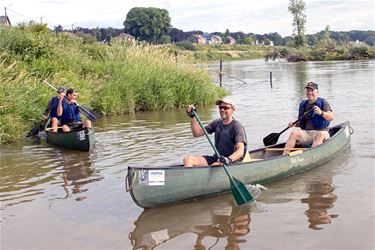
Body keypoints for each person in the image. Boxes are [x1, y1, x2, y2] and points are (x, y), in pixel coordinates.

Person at [183, 98, 248, 167]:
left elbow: (240, 151)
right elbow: (196, 133)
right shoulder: (217, 123)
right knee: (188, 159)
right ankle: (189, 176)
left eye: (226, 108)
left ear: (233, 110)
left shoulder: (237, 126)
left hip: (232, 160)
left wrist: (228, 159)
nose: (222, 110)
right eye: (220, 107)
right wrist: (193, 117)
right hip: (218, 158)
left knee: (214, 166)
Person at [283, 82, 333, 155]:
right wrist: (293, 124)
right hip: (307, 133)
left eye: (312, 90)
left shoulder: (323, 102)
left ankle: (311, 156)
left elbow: (331, 117)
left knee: (321, 134)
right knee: (294, 133)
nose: (309, 92)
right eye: (308, 90)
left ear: (317, 92)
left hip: (320, 133)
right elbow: (300, 123)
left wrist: (321, 113)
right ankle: (284, 156)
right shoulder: (303, 104)